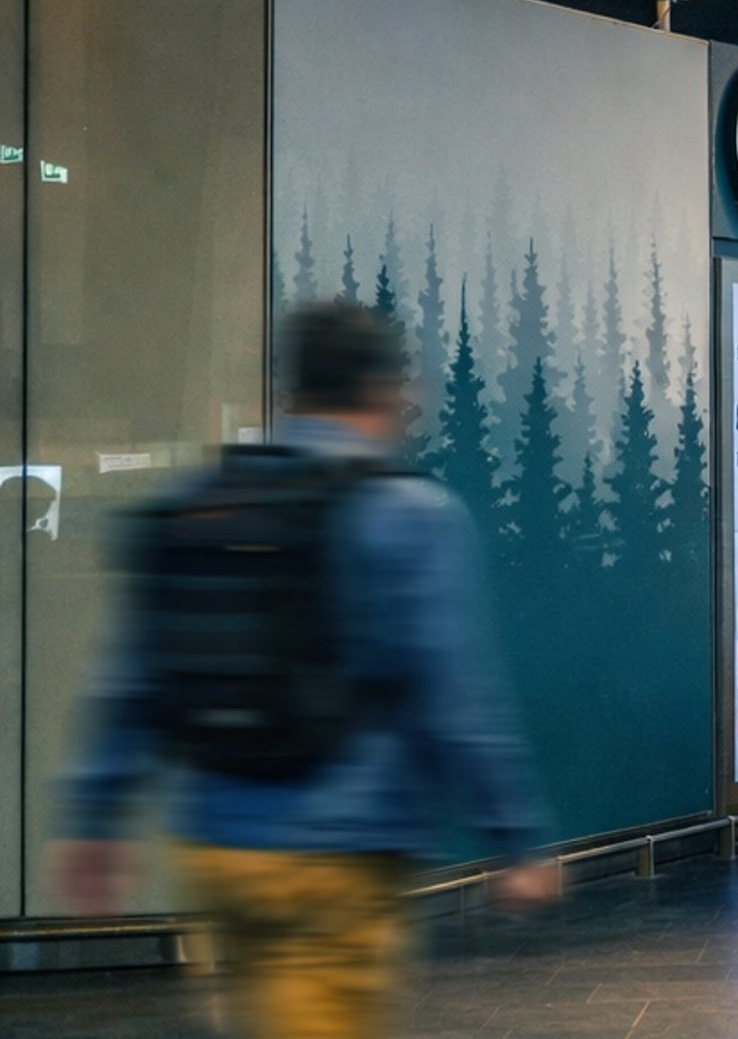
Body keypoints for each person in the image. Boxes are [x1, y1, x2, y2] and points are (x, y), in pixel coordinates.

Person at [57, 300, 554, 1038]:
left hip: (215, 841)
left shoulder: (195, 502)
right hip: (338, 854)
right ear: (381, 390)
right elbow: (452, 696)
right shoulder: (408, 513)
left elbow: (132, 678)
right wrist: (512, 835)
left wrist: (93, 817)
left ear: (293, 392)